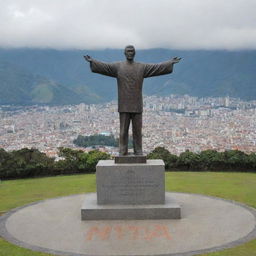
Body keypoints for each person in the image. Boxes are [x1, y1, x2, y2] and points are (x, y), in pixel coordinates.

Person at [84, 45, 181, 156]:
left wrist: (169, 63)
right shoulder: (118, 67)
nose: (130, 53)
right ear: (124, 53)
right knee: (123, 131)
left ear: (134, 53)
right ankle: (122, 151)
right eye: (128, 51)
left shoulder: (141, 67)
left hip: (137, 105)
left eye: (132, 51)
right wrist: (93, 62)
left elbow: (156, 68)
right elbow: (105, 67)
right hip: (124, 105)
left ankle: (138, 151)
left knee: (137, 131)